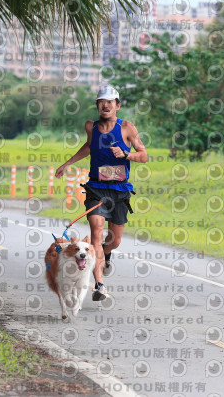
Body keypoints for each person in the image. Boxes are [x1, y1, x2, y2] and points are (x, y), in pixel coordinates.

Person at [55, 85, 148, 301]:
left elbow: (143, 155)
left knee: (113, 240)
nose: (105, 105)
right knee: (96, 234)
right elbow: (89, 146)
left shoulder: (127, 128)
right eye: (101, 101)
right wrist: (67, 163)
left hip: (120, 191)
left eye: (109, 101)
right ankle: (99, 285)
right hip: (96, 189)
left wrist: (126, 154)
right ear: (97, 105)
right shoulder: (91, 126)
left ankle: (106, 254)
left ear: (117, 105)